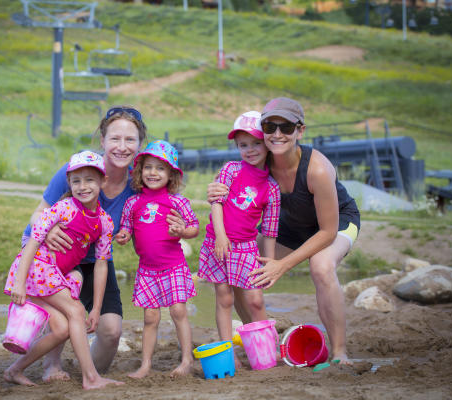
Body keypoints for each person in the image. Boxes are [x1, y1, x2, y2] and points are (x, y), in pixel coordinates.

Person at [208, 98, 360, 365]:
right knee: (241, 262)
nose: (277, 134)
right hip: (291, 227)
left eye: (286, 127)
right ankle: (256, 338)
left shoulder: (318, 169)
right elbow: (235, 180)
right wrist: (215, 190)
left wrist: (282, 265)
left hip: (336, 223)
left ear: (300, 131)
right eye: (270, 126)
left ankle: (339, 353)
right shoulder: (261, 161)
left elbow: (327, 232)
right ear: (262, 130)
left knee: (321, 266)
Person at [21, 106, 149, 381]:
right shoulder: (78, 171)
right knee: (66, 318)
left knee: (112, 330)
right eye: (115, 138)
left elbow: (141, 224)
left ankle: (88, 373)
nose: (122, 147)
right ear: (102, 140)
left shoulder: (138, 185)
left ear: (140, 145)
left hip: (97, 259)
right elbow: (37, 213)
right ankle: (51, 367)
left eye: (130, 140)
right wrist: (49, 227)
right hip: (56, 253)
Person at [3, 151, 123, 389]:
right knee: (76, 311)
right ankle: (91, 378)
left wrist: (97, 308)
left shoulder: (104, 222)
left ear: (103, 182)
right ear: (68, 183)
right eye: (76, 181)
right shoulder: (62, 209)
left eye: (89, 180)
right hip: (36, 269)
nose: (82, 186)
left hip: (53, 275)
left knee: (62, 329)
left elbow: (101, 265)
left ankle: (14, 370)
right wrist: (18, 282)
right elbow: (33, 243)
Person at [198, 111, 280, 365]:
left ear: (266, 144)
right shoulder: (231, 170)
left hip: (245, 248)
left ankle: (269, 347)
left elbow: (269, 229)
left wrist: (270, 262)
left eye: (256, 143)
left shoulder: (271, 187)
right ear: (237, 147)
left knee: (255, 299)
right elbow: (216, 202)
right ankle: (227, 352)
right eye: (244, 145)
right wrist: (221, 236)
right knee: (224, 298)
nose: (250, 150)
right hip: (218, 243)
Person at [115, 140, 199, 378]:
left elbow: (194, 228)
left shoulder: (177, 201)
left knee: (178, 312)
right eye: (148, 167)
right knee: (150, 317)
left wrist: (182, 230)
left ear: (170, 174)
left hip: (173, 267)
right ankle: (145, 365)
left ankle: (186, 360)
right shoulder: (133, 202)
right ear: (140, 171)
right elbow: (126, 229)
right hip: (147, 270)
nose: (153, 173)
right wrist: (122, 236)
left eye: (160, 168)